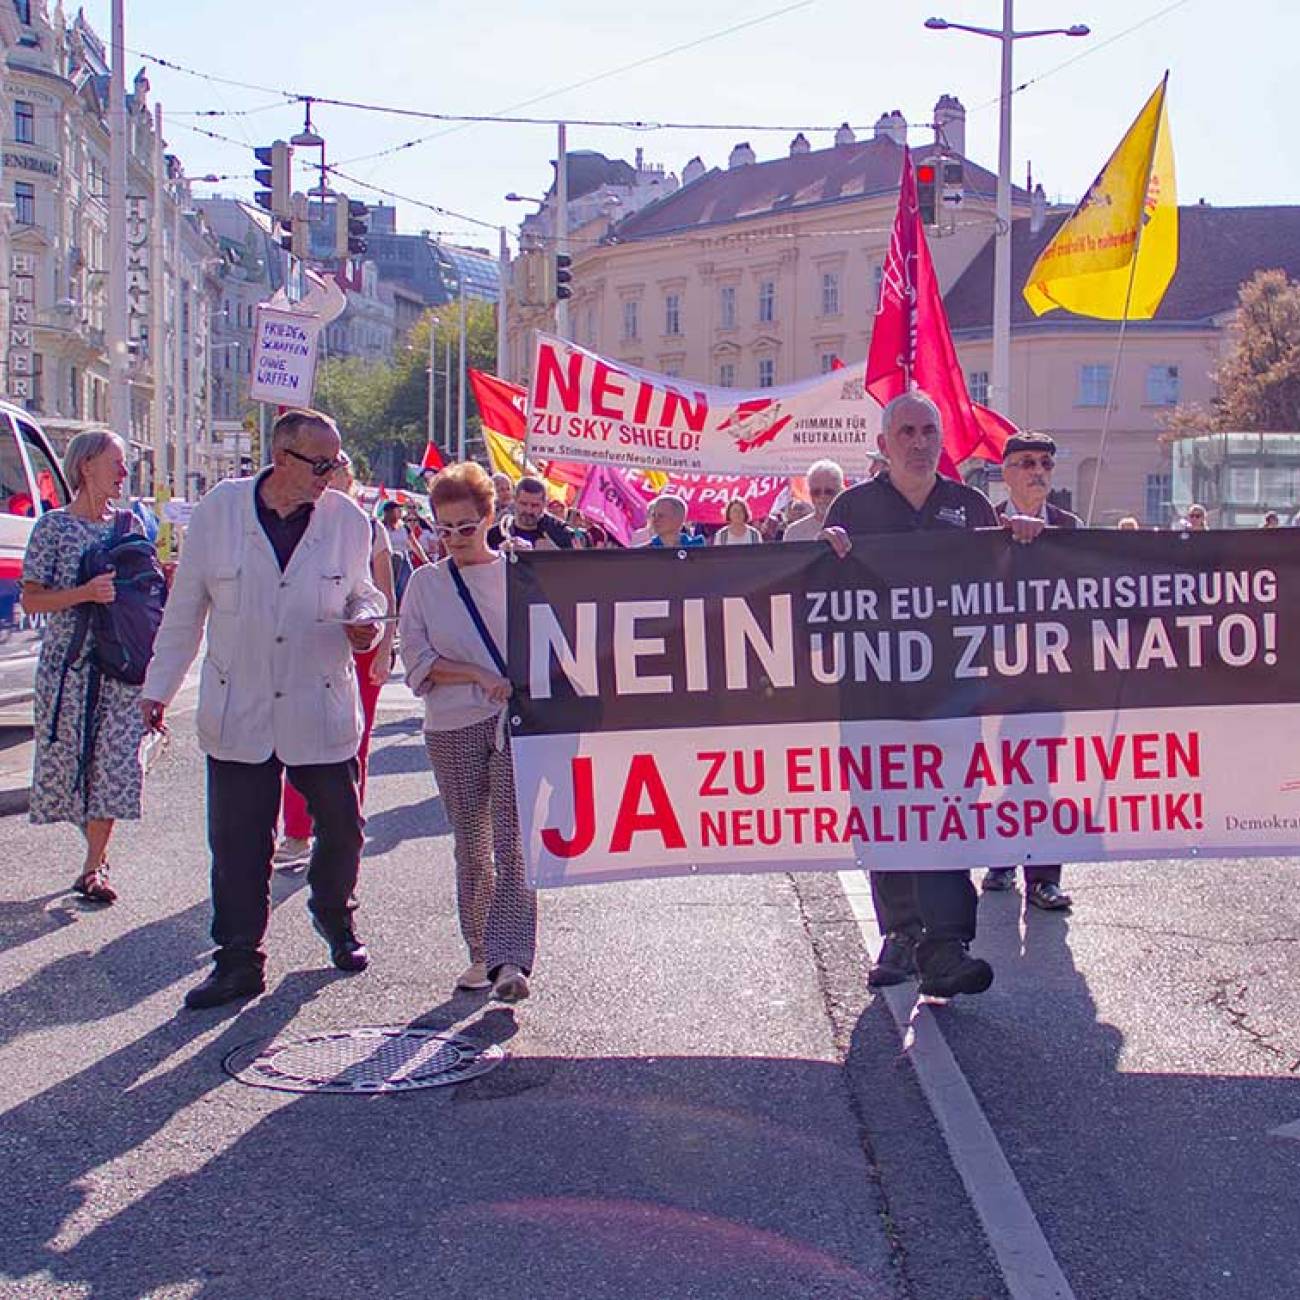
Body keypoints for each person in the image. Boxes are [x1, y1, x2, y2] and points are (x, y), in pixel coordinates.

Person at [141, 408, 385, 1009]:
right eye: (320, 463)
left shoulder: (347, 520)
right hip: (240, 700)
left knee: (344, 831)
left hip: (318, 698)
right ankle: (238, 959)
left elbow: (365, 592)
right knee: (238, 843)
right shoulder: (220, 513)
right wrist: (157, 691)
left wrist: (367, 626)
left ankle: (334, 911)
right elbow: (184, 611)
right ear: (282, 457)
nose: (331, 474)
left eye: (335, 462)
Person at [820, 391, 1046, 1000]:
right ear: (885, 443)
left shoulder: (968, 506)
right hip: (875, 696)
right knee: (887, 809)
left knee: (946, 809)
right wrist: (826, 554)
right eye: (907, 432)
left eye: (928, 431)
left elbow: (1006, 584)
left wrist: (1023, 538)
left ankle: (946, 945)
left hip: (951, 696)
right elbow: (817, 597)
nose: (919, 442)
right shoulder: (853, 508)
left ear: (941, 439)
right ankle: (900, 933)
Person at [399, 461, 537, 1002]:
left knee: (512, 843)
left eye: (465, 527)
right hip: (450, 723)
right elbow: (416, 658)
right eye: (444, 528)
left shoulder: (517, 575)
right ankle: (480, 950)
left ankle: (511, 959)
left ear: (490, 518)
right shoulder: (426, 584)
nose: (454, 538)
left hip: (511, 725)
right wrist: (475, 674)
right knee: (471, 844)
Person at [20, 430, 145, 905]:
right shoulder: (53, 528)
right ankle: (91, 842)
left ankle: (94, 867)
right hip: (68, 666)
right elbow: (33, 597)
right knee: (70, 762)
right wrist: (85, 594)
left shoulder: (129, 525)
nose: (123, 473)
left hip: (120, 665)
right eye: (115, 462)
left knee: (114, 762)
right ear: (86, 465)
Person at [274, 452, 397, 866]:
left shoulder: (369, 528)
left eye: (339, 473)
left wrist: (383, 647)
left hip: (359, 648)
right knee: (299, 735)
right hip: (313, 645)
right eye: (325, 471)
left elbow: (383, 594)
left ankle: (348, 824)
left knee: (353, 742)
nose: (332, 479)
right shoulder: (302, 524)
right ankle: (296, 831)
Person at [982, 432, 1077, 910]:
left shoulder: (1071, 526)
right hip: (994, 674)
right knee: (1005, 767)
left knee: (1040, 770)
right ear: (1006, 472)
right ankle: (1001, 857)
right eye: (1025, 462)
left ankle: (1043, 875)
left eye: (1045, 462)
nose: (1037, 470)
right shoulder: (982, 526)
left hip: (1050, 675)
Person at [486, 476, 574, 549]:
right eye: (523, 504)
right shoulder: (495, 534)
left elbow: (576, 564)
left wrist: (553, 554)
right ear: (515, 500)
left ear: (544, 504)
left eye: (535, 505)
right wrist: (499, 555)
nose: (529, 510)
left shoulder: (559, 531)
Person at [783, 460, 845, 542]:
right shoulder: (794, 532)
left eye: (828, 492)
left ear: (840, 491)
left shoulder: (855, 527)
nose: (822, 497)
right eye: (816, 492)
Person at [381, 501, 414, 606]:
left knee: (406, 585)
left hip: (404, 559)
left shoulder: (404, 528)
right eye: (397, 510)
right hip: (388, 559)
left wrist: (425, 560)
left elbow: (414, 544)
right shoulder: (381, 528)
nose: (400, 512)